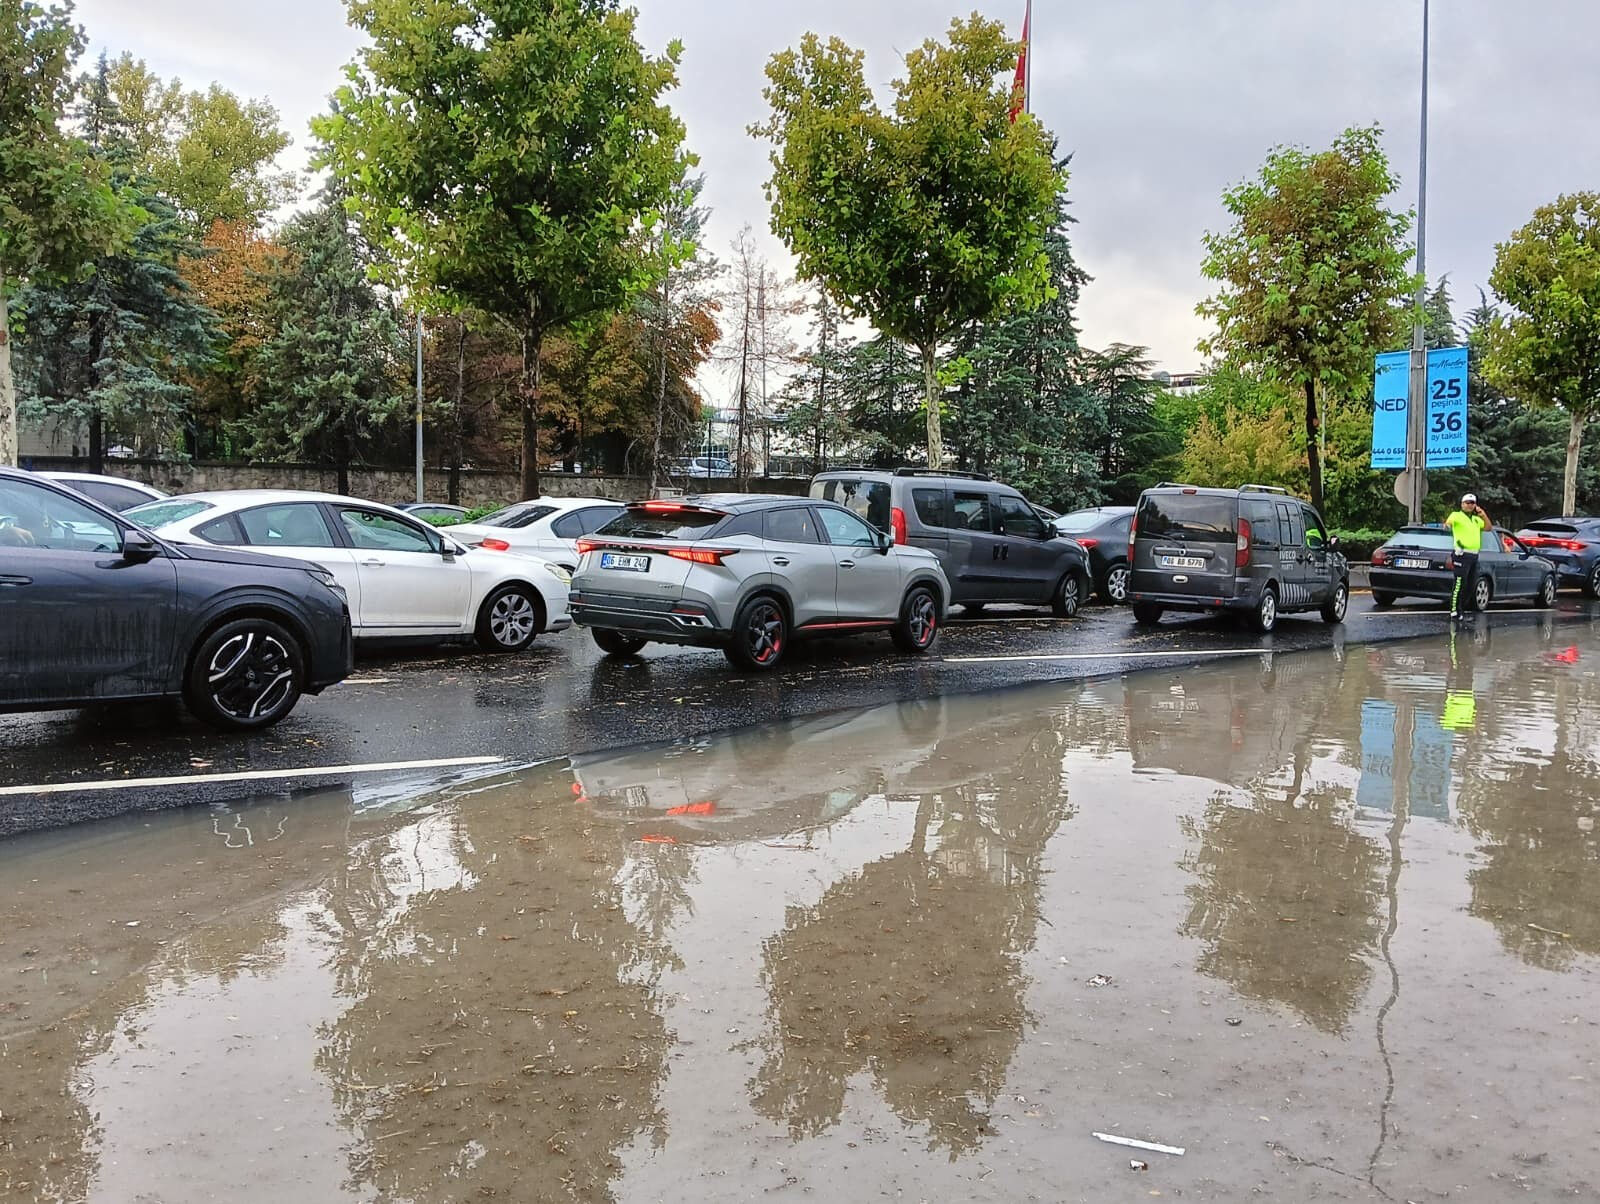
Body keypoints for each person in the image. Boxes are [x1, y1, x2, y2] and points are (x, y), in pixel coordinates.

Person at [1444, 493, 1492, 620]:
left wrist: (1483, 515)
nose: (1470, 505)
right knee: (1460, 583)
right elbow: (1448, 524)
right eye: (1467, 503)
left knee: (1470, 584)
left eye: (1472, 503)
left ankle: (1462, 610)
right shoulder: (1456, 515)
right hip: (1461, 554)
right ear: (1462, 504)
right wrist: (1447, 526)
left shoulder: (1476, 519)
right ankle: (1454, 611)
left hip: (1473, 555)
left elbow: (1488, 528)